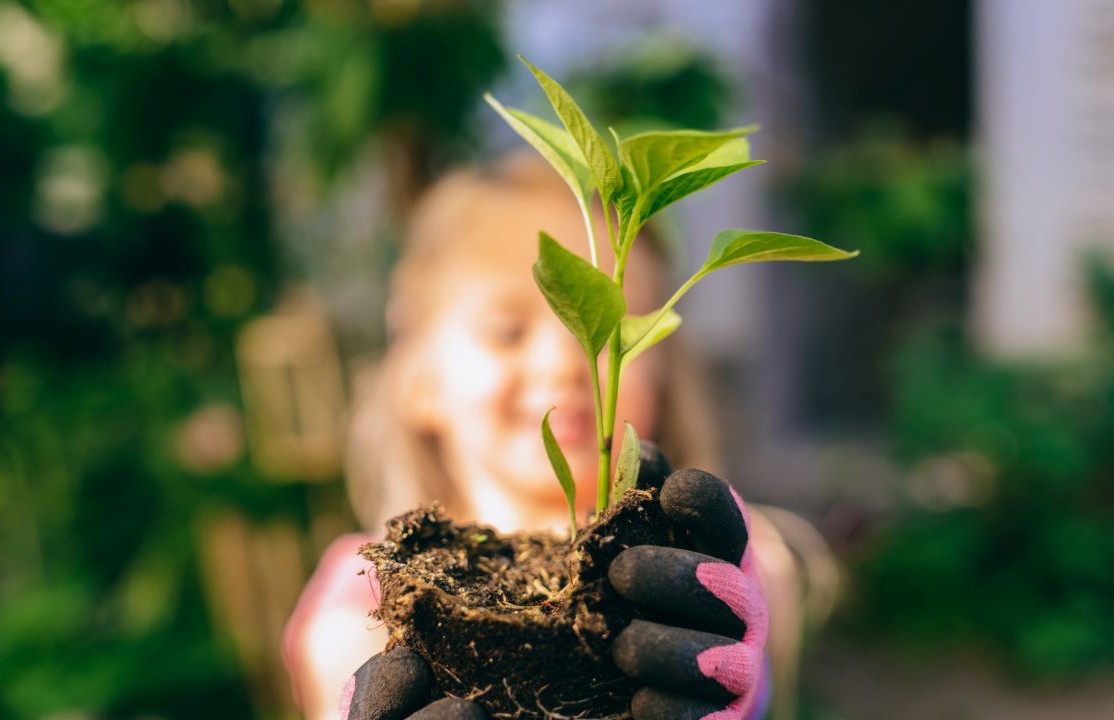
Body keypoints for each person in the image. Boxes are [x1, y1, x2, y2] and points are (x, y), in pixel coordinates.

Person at [283, 153, 819, 719]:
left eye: (612, 334)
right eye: (507, 332)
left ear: (662, 370)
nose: (566, 362)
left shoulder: (732, 575)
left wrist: (742, 691)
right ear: (419, 379)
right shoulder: (366, 604)